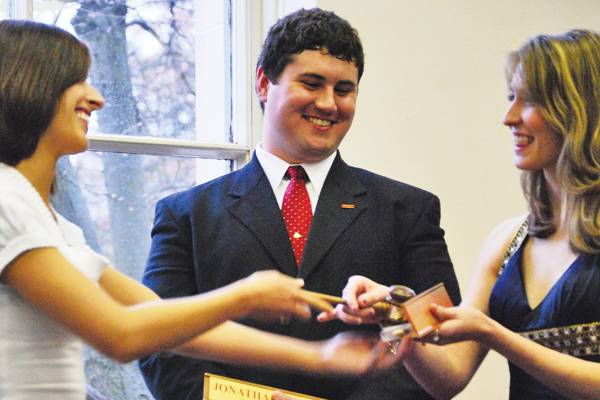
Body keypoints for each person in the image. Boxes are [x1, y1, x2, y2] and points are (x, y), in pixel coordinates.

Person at [0, 19, 403, 400]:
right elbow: (120, 335)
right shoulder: (5, 199)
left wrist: (323, 357)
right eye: (76, 82)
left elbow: (165, 321)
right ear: (29, 87)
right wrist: (244, 297)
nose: (97, 98)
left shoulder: (58, 227)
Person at [139, 7, 461, 400]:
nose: (328, 104)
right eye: (311, 83)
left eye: (344, 90)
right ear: (263, 82)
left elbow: (443, 341)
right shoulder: (185, 215)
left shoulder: (409, 210)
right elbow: (158, 344)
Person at [319, 29, 600, 400]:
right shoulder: (509, 239)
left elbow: (482, 332)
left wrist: (495, 335)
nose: (508, 117)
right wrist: (397, 315)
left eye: (527, 101)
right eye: (510, 98)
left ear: (576, 109)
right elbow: (449, 375)